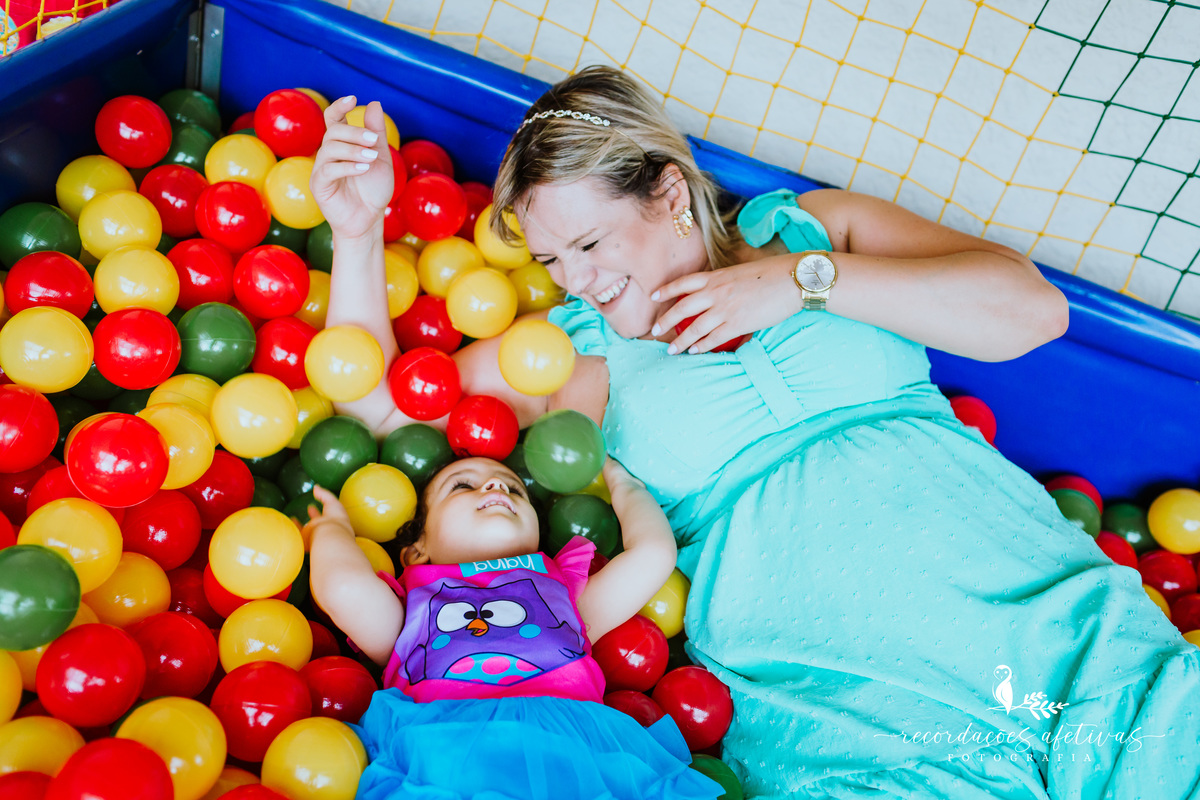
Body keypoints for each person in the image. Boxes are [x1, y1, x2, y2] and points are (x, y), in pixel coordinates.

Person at [311, 67, 1200, 799]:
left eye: (589, 244)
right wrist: (358, 231)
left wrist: (804, 282)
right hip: (849, 716)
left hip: (1049, 621)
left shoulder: (812, 230)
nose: (574, 282)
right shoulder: (576, 357)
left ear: (666, 194)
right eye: (551, 262)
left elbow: (1031, 313)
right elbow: (382, 412)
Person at [306, 457, 723, 799]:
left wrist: (623, 483)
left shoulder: (563, 596)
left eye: (513, 488)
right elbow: (343, 586)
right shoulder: (411, 609)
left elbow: (652, 554)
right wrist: (333, 529)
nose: (495, 488)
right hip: (445, 755)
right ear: (417, 552)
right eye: (462, 486)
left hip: (574, 759)